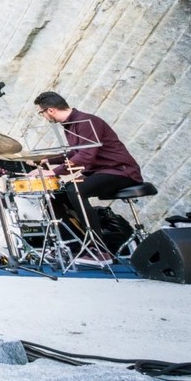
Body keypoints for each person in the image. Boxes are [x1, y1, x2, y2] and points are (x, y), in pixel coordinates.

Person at [33, 91, 144, 260]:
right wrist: (48, 160)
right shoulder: (70, 125)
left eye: (41, 113)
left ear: (51, 110)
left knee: (75, 190)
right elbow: (76, 153)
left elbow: (85, 157)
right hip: (103, 171)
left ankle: (99, 249)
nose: (43, 117)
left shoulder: (86, 122)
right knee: (59, 195)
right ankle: (75, 245)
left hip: (121, 171)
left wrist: (54, 172)